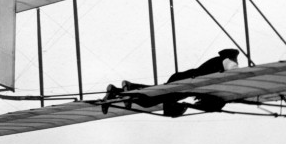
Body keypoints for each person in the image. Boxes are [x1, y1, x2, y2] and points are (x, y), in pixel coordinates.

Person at [101, 48, 240, 116]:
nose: (236, 64)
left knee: (154, 96)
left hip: (183, 81)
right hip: (184, 83)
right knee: (151, 100)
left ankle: (115, 92)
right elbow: (232, 75)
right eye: (235, 61)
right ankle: (130, 89)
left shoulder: (215, 64)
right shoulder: (224, 63)